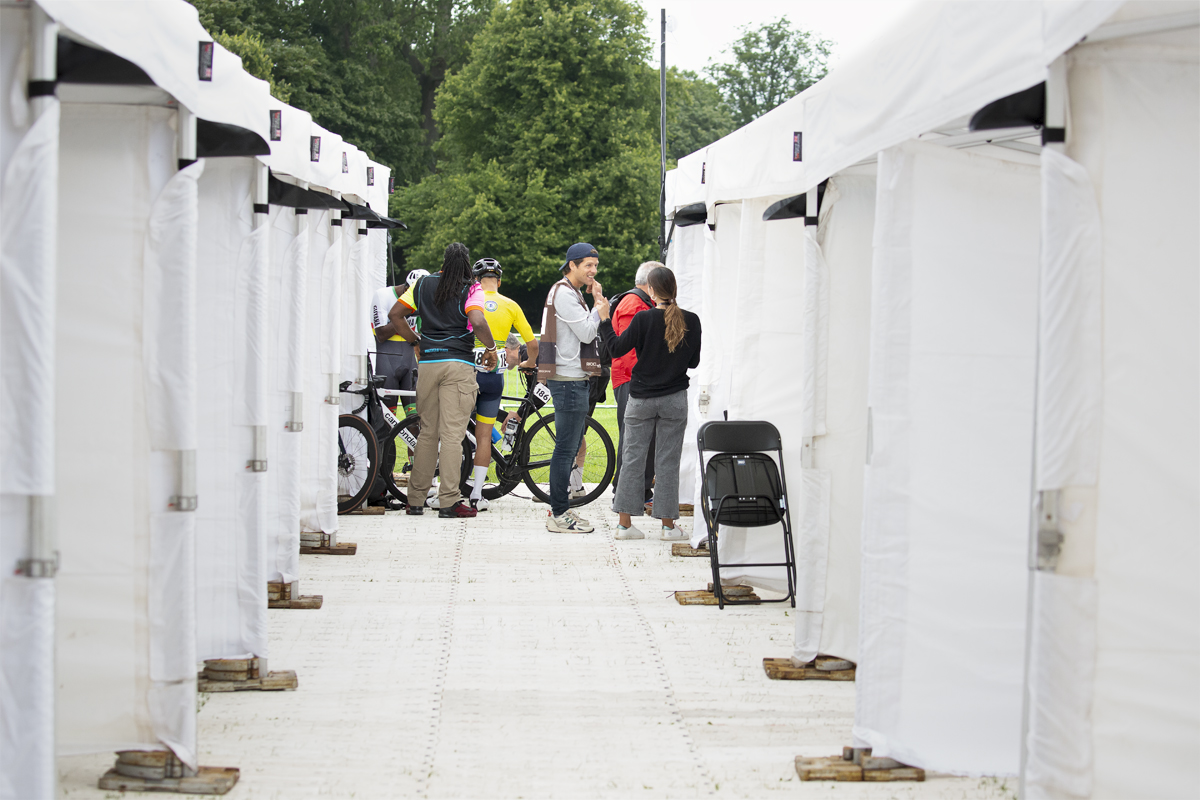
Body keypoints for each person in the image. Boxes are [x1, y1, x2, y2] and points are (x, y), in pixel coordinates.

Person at [390, 243, 497, 518]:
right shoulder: (470, 288)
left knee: (428, 432)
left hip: (427, 364)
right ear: (466, 265)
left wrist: (415, 341)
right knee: (452, 434)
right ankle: (448, 501)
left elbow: (395, 315)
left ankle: (414, 500)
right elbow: (477, 319)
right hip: (458, 365)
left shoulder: (423, 284)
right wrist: (491, 348)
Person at [597, 265, 701, 541]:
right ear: (674, 289)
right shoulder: (692, 320)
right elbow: (694, 362)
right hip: (675, 400)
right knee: (667, 462)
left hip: (641, 397)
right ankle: (668, 526)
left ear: (651, 291)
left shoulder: (643, 320)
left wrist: (605, 320)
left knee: (632, 458)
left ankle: (625, 525)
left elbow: (616, 348)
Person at [539, 242, 603, 533]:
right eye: (588, 265)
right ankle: (559, 514)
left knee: (569, 446)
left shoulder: (572, 292)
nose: (593, 270)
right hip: (567, 380)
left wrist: (595, 301)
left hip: (571, 377)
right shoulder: (565, 293)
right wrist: (600, 309)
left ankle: (562, 511)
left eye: (595, 266)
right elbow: (588, 331)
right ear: (572, 265)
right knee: (565, 449)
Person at [466, 258, 539, 511]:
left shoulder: (470, 300)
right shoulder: (510, 305)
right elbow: (533, 345)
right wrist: (529, 364)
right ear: (499, 281)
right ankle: (476, 494)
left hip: (468, 374)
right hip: (494, 377)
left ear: (476, 280)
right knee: (484, 437)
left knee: (453, 432)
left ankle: (449, 490)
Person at [609, 261, 659, 509]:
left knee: (642, 437)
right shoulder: (633, 303)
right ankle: (626, 492)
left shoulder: (642, 303)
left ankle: (639, 490)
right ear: (652, 283)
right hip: (631, 378)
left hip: (635, 378)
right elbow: (628, 346)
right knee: (633, 437)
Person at [371, 268, 429, 418]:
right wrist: (404, 313)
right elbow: (381, 334)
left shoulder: (421, 303)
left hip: (409, 362)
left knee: (415, 419)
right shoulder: (382, 295)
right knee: (387, 420)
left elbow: (423, 334)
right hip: (386, 361)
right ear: (406, 288)